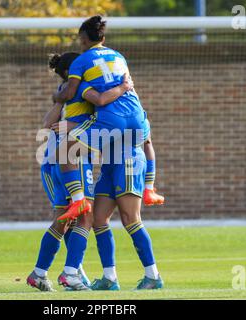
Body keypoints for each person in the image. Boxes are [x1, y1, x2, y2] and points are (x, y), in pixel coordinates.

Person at [55, 16, 164, 290]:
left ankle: (153, 276)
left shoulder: (81, 64)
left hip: (127, 155)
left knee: (130, 219)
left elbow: (87, 97)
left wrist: (59, 98)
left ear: (83, 38)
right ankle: (110, 278)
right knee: (99, 218)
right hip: (116, 152)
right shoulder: (118, 58)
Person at [27, 52, 133, 291]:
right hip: (74, 159)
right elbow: (103, 102)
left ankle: (40, 273)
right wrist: (124, 87)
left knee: (64, 219)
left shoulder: (65, 93)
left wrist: (60, 101)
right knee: (85, 216)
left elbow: (47, 125)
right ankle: (71, 273)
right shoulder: (85, 90)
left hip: (52, 161)